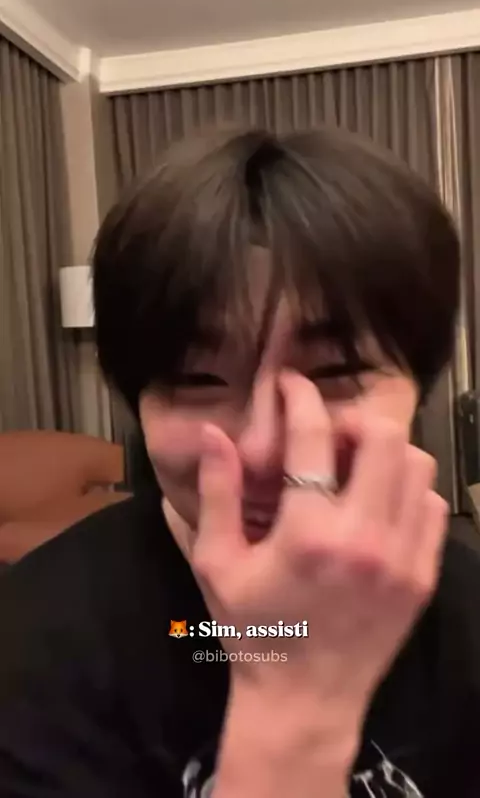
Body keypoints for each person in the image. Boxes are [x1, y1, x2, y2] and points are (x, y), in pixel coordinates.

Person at [0, 125, 479, 798]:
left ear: (418, 389)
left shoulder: (466, 613)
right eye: (197, 380)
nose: (261, 449)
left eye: (335, 372)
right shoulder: (31, 640)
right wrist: (295, 703)